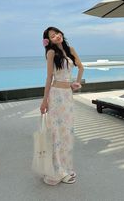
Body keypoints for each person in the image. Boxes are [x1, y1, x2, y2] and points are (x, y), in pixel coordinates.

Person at [40, 26, 84, 185]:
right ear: (49, 41)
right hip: (56, 94)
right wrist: (44, 101)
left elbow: (81, 66)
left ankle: (65, 166)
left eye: (57, 33)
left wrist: (77, 82)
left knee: (67, 132)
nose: (56, 36)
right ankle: (56, 170)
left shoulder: (70, 49)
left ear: (61, 34)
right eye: (52, 36)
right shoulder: (51, 53)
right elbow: (49, 78)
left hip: (67, 96)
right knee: (56, 133)